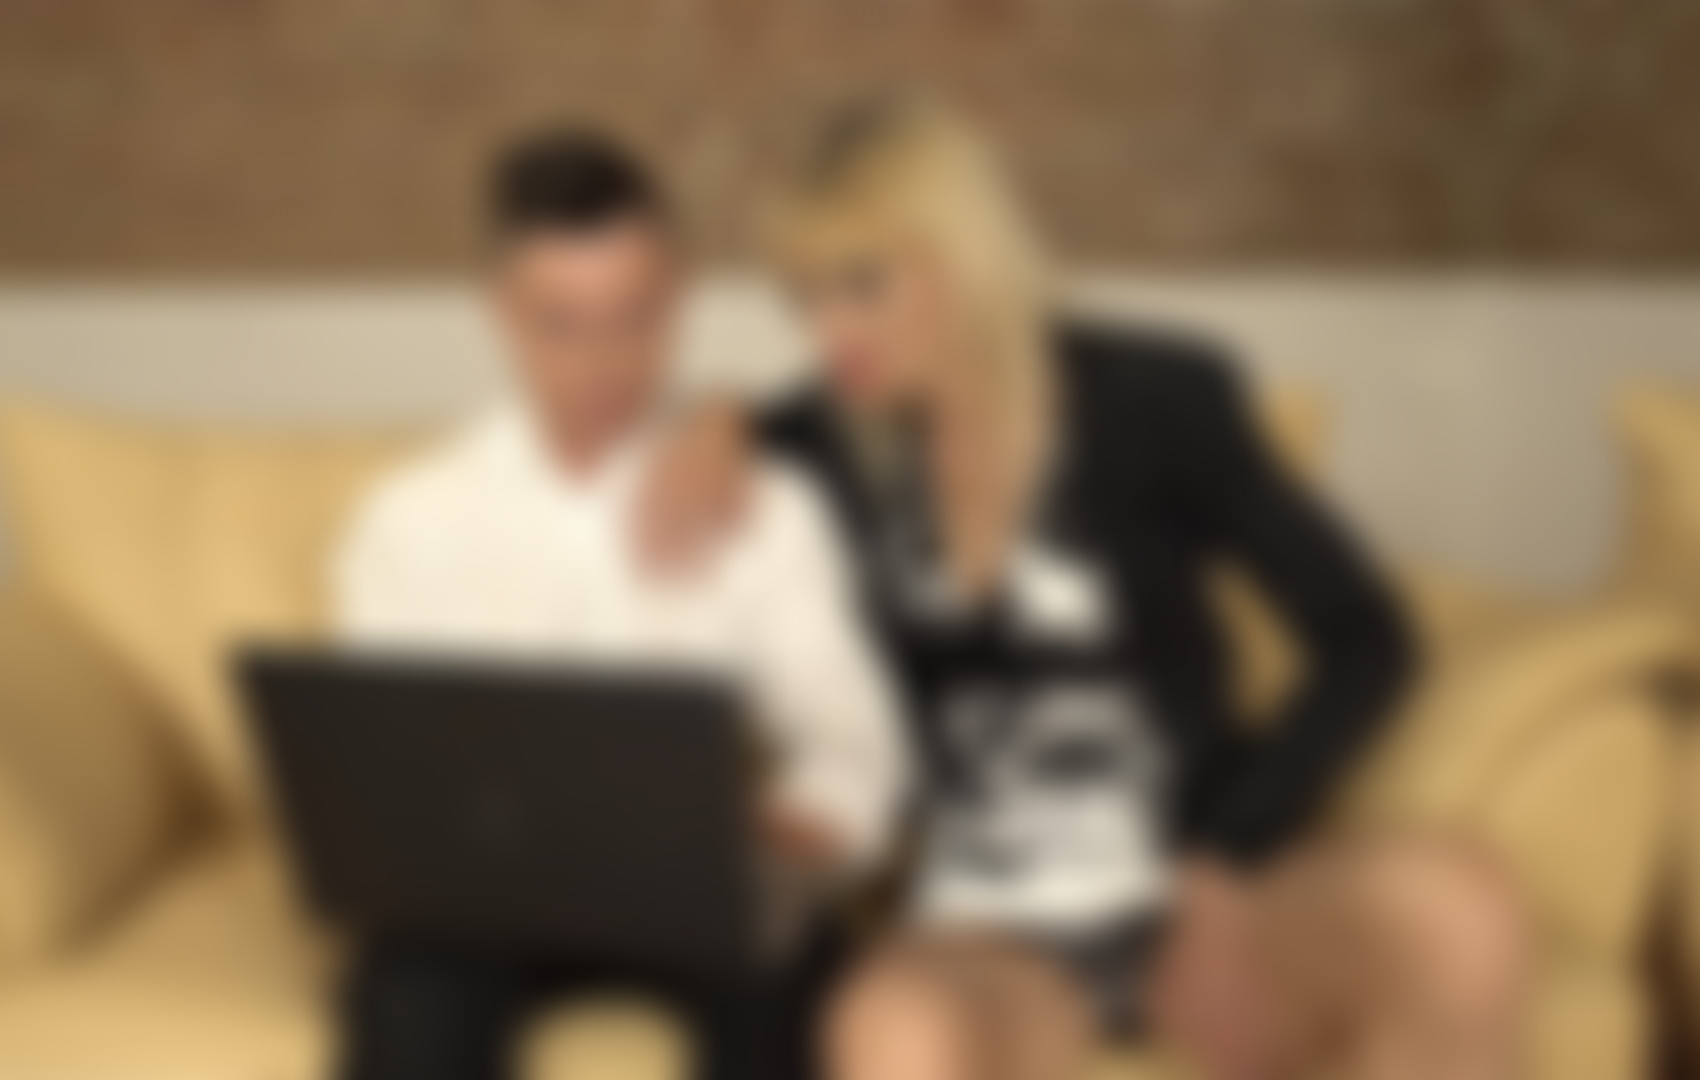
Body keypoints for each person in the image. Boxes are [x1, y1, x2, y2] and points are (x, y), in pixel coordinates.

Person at [639, 95, 1529, 1080]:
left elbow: (1366, 635)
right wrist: (709, 419)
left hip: (1191, 870)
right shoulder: (823, 448)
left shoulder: (1155, 401)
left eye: (861, 285)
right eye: (804, 298)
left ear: (959, 260)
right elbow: (677, 462)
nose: (830, 330)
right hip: (991, 931)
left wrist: (1219, 861)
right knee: (895, 1033)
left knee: (1458, 907)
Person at [331, 129, 911, 1080]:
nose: (605, 363)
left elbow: (855, 745)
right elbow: (391, 783)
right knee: (409, 998)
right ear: (497, 314)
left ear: (680, 297)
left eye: (637, 318)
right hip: (485, 911)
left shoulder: (767, 506)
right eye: (561, 325)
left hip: (710, 898)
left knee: (787, 987)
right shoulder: (409, 519)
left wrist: (787, 825)